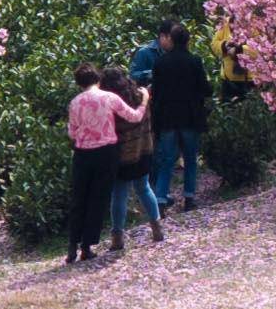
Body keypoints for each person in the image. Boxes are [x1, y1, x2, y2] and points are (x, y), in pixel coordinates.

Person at [64, 61, 143, 264]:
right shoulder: (109, 97)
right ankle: (87, 247)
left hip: (82, 153)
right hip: (106, 152)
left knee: (79, 198)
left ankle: (72, 244)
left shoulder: (74, 103)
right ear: (97, 79)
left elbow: (72, 133)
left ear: (79, 83)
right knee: (98, 199)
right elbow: (134, 117)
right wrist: (144, 100)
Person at [147, 22, 211, 215]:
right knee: (190, 159)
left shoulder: (160, 63)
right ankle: (189, 198)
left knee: (167, 159)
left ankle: (160, 199)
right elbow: (206, 89)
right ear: (188, 40)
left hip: (167, 117)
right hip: (190, 116)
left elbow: (156, 93)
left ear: (172, 40)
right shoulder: (195, 61)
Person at [111, 58, 163, 250]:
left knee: (119, 195)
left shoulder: (111, 105)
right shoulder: (141, 95)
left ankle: (117, 237)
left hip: (122, 156)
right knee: (144, 188)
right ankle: (157, 227)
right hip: (144, 150)